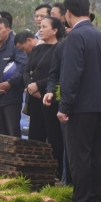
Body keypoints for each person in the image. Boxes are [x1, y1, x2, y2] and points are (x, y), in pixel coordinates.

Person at [52, 0, 101, 202]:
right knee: (94, 153)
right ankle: (94, 199)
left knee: (79, 156)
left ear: (68, 13)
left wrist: (64, 106)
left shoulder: (76, 37)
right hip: (97, 104)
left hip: (79, 106)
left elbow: (71, 75)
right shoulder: (98, 35)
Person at [26, 16, 64, 173]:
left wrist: (39, 85)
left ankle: (56, 169)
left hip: (50, 98)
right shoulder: (37, 48)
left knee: (53, 134)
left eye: (44, 27)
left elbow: (56, 74)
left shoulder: (60, 49)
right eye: (40, 27)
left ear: (55, 30)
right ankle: (35, 168)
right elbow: (27, 70)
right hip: (34, 97)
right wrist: (29, 85)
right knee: (35, 134)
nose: (40, 29)